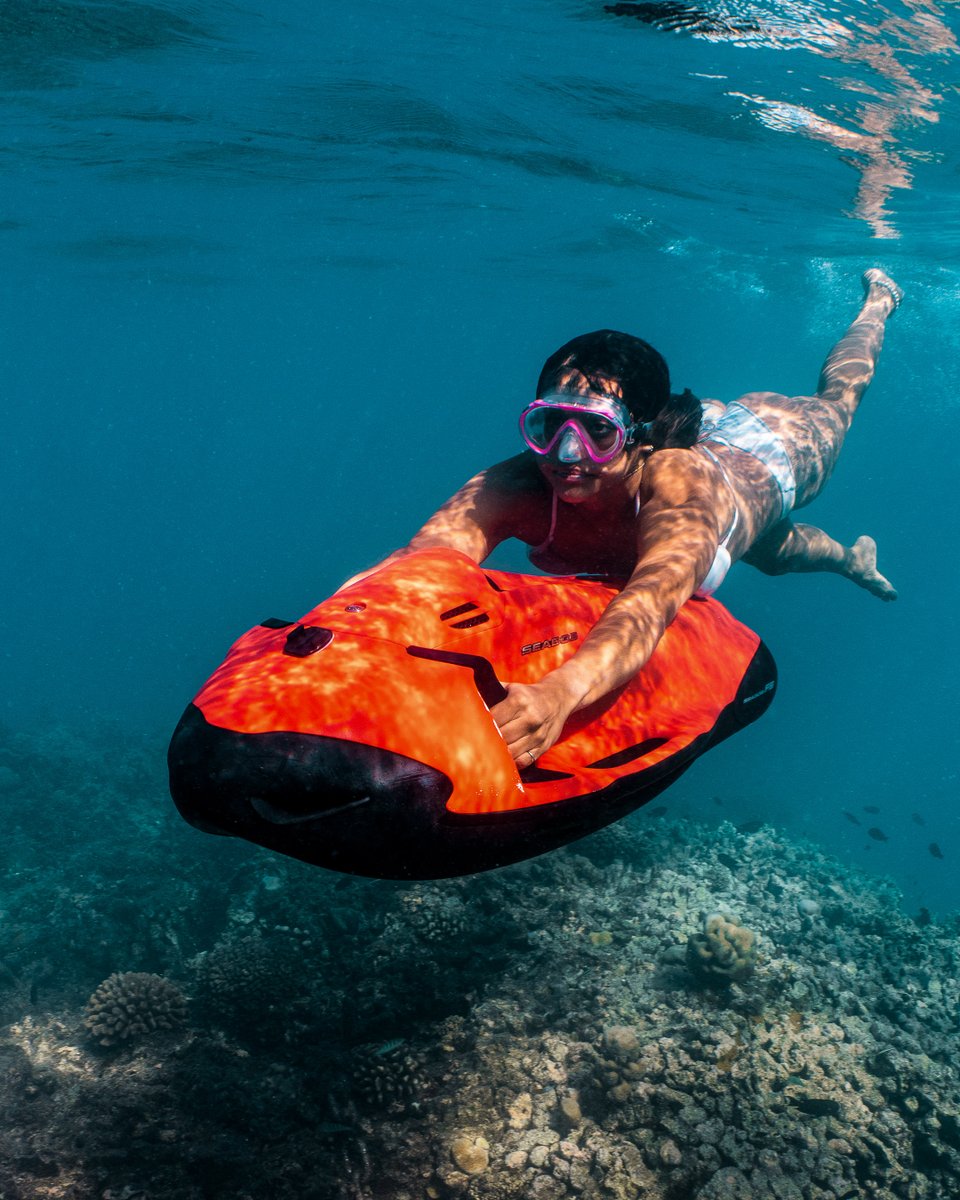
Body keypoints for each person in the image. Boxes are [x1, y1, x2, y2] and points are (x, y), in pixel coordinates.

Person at [343, 269, 901, 767]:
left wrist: (561, 692)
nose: (566, 455)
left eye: (597, 432)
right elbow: (421, 564)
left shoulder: (682, 487)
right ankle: (852, 559)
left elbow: (650, 602)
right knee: (774, 555)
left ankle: (878, 304)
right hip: (703, 474)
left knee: (839, 400)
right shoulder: (517, 482)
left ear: (638, 439)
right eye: (548, 427)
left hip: (771, 453)